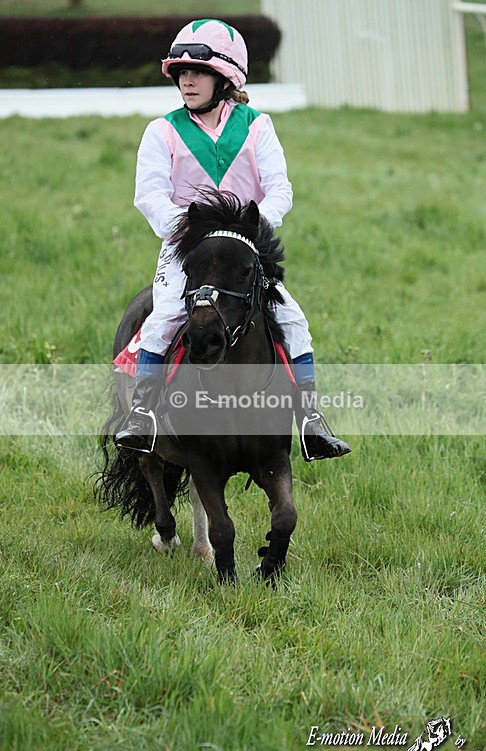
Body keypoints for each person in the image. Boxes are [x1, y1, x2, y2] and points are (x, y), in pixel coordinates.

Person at [114, 18, 350, 462]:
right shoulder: (160, 131)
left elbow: (280, 188)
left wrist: (255, 224)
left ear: (225, 78)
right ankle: (142, 414)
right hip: (187, 245)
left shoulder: (257, 126)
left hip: (245, 244)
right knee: (165, 313)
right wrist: (185, 227)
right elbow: (149, 196)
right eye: (181, 72)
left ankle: (312, 420)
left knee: (293, 317)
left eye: (198, 72)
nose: (187, 79)